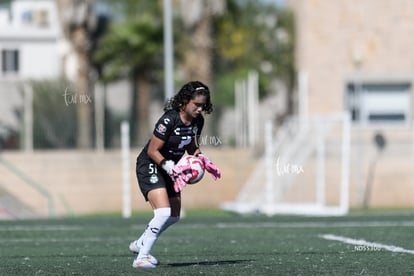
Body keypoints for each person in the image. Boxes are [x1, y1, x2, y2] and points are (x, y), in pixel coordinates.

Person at [129, 80, 221, 268]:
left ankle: (140, 244)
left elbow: (192, 146)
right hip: (151, 164)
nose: (199, 109)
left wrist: (203, 159)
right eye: (196, 105)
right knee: (163, 212)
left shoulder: (198, 121)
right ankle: (141, 258)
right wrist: (169, 167)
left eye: (203, 106)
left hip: (171, 168)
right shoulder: (169, 119)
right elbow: (152, 151)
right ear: (185, 101)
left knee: (174, 215)